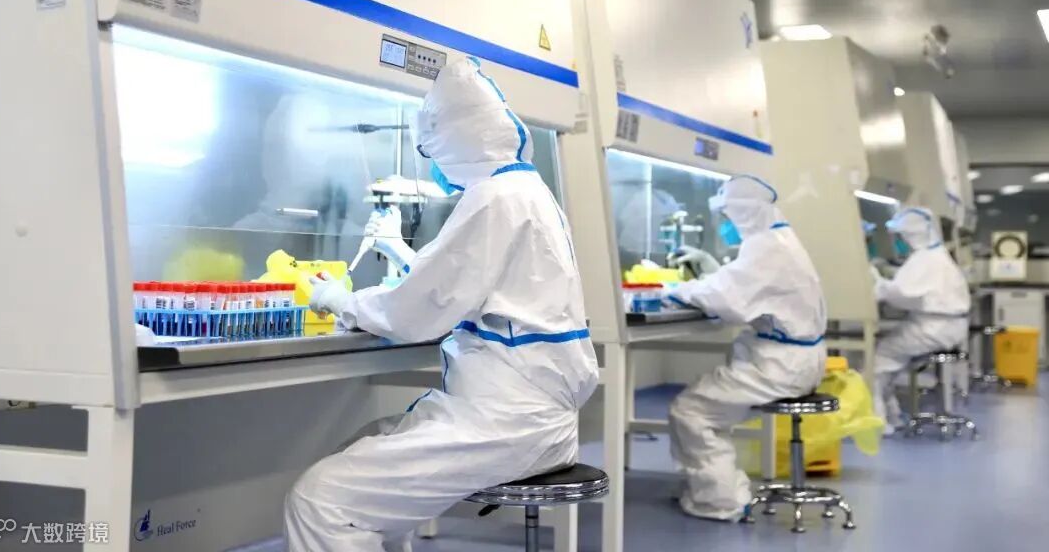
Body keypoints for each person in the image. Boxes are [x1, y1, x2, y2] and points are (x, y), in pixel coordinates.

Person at [282, 57, 599, 552]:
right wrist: (399, 252)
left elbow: (415, 313)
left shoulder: (494, 197)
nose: (431, 163)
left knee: (320, 501)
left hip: (503, 422)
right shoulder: (527, 191)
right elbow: (470, 287)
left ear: (453, 140)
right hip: (526, 414)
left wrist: (339, 299)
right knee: (361, 448)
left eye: (430, 150)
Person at [664, 175, 827, 521]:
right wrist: (712, 269)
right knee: (709, 405)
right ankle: (713, 487)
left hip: (781, 367)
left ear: (743, 212)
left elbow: (724, 298)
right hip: (798, 360)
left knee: (692, 411)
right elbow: (745, 285)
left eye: (726, 217)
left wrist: (671, 291)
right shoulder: (777, 239)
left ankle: (720, 501)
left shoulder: (767, 248)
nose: (725, 225)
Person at [870, 207, 970, 434]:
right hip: (946, 326)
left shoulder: (924, 259)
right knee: (890, 359)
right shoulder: (935, 254)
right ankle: (893, 415)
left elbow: (902, 294)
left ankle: (879, 422)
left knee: (878, 360)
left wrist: (878, 284)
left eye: (900, 236)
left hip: (933, 328)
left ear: (910, 235)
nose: (899, 242)